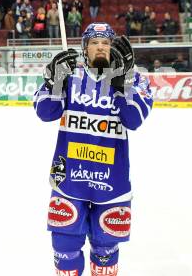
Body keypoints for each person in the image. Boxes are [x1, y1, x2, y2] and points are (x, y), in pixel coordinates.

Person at [34, 22, 153, 276]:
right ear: (84, 48)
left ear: (113, 49)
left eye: (106, 43)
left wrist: (123, 82)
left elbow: (134, 119)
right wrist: (54, 81)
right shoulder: (69, 75)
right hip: (68, 180)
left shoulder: (134, 78)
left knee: (106, 250)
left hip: (112, 182)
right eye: (94, 43)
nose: (100, 47)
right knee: (64, 247)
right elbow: (45, 113)